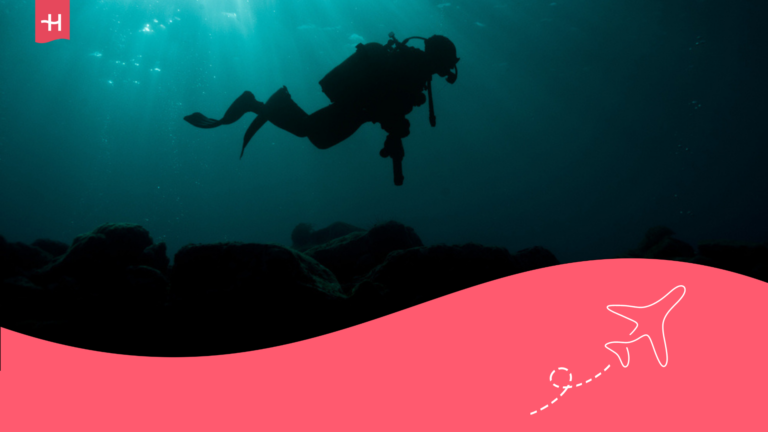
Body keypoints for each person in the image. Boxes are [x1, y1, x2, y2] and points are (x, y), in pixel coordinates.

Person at [184, 33, 459, 185]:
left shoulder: (414, 69)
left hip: (359, 110)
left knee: (316, 137)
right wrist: (395, 126)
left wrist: (395, 128)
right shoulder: (413, 70)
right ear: (439, 58)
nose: (448, 70)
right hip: (356, 108)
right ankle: (257, 103)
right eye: (447, 63)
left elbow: (389, 104)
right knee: (312, 133)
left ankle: (262, 104)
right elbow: (388, 101)